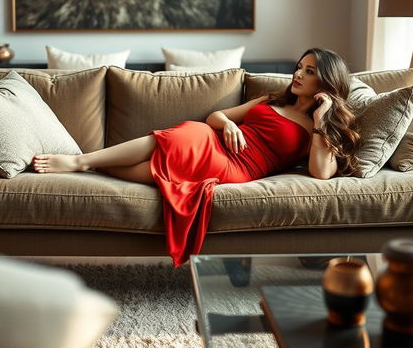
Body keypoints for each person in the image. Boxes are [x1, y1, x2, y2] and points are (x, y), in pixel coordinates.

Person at [33, 48, 360, 266]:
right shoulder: (271, 99)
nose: (298, 75)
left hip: (238, 166)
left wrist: (319, 124)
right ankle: (81, 162)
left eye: (309, 71)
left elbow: (320, 173)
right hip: (215, 141)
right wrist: (230, 124)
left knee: (151, 167)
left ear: (327, 81)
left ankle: (85, 164)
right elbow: (216, 116)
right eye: (299, 67)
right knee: (189, 130)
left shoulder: (323, 127)